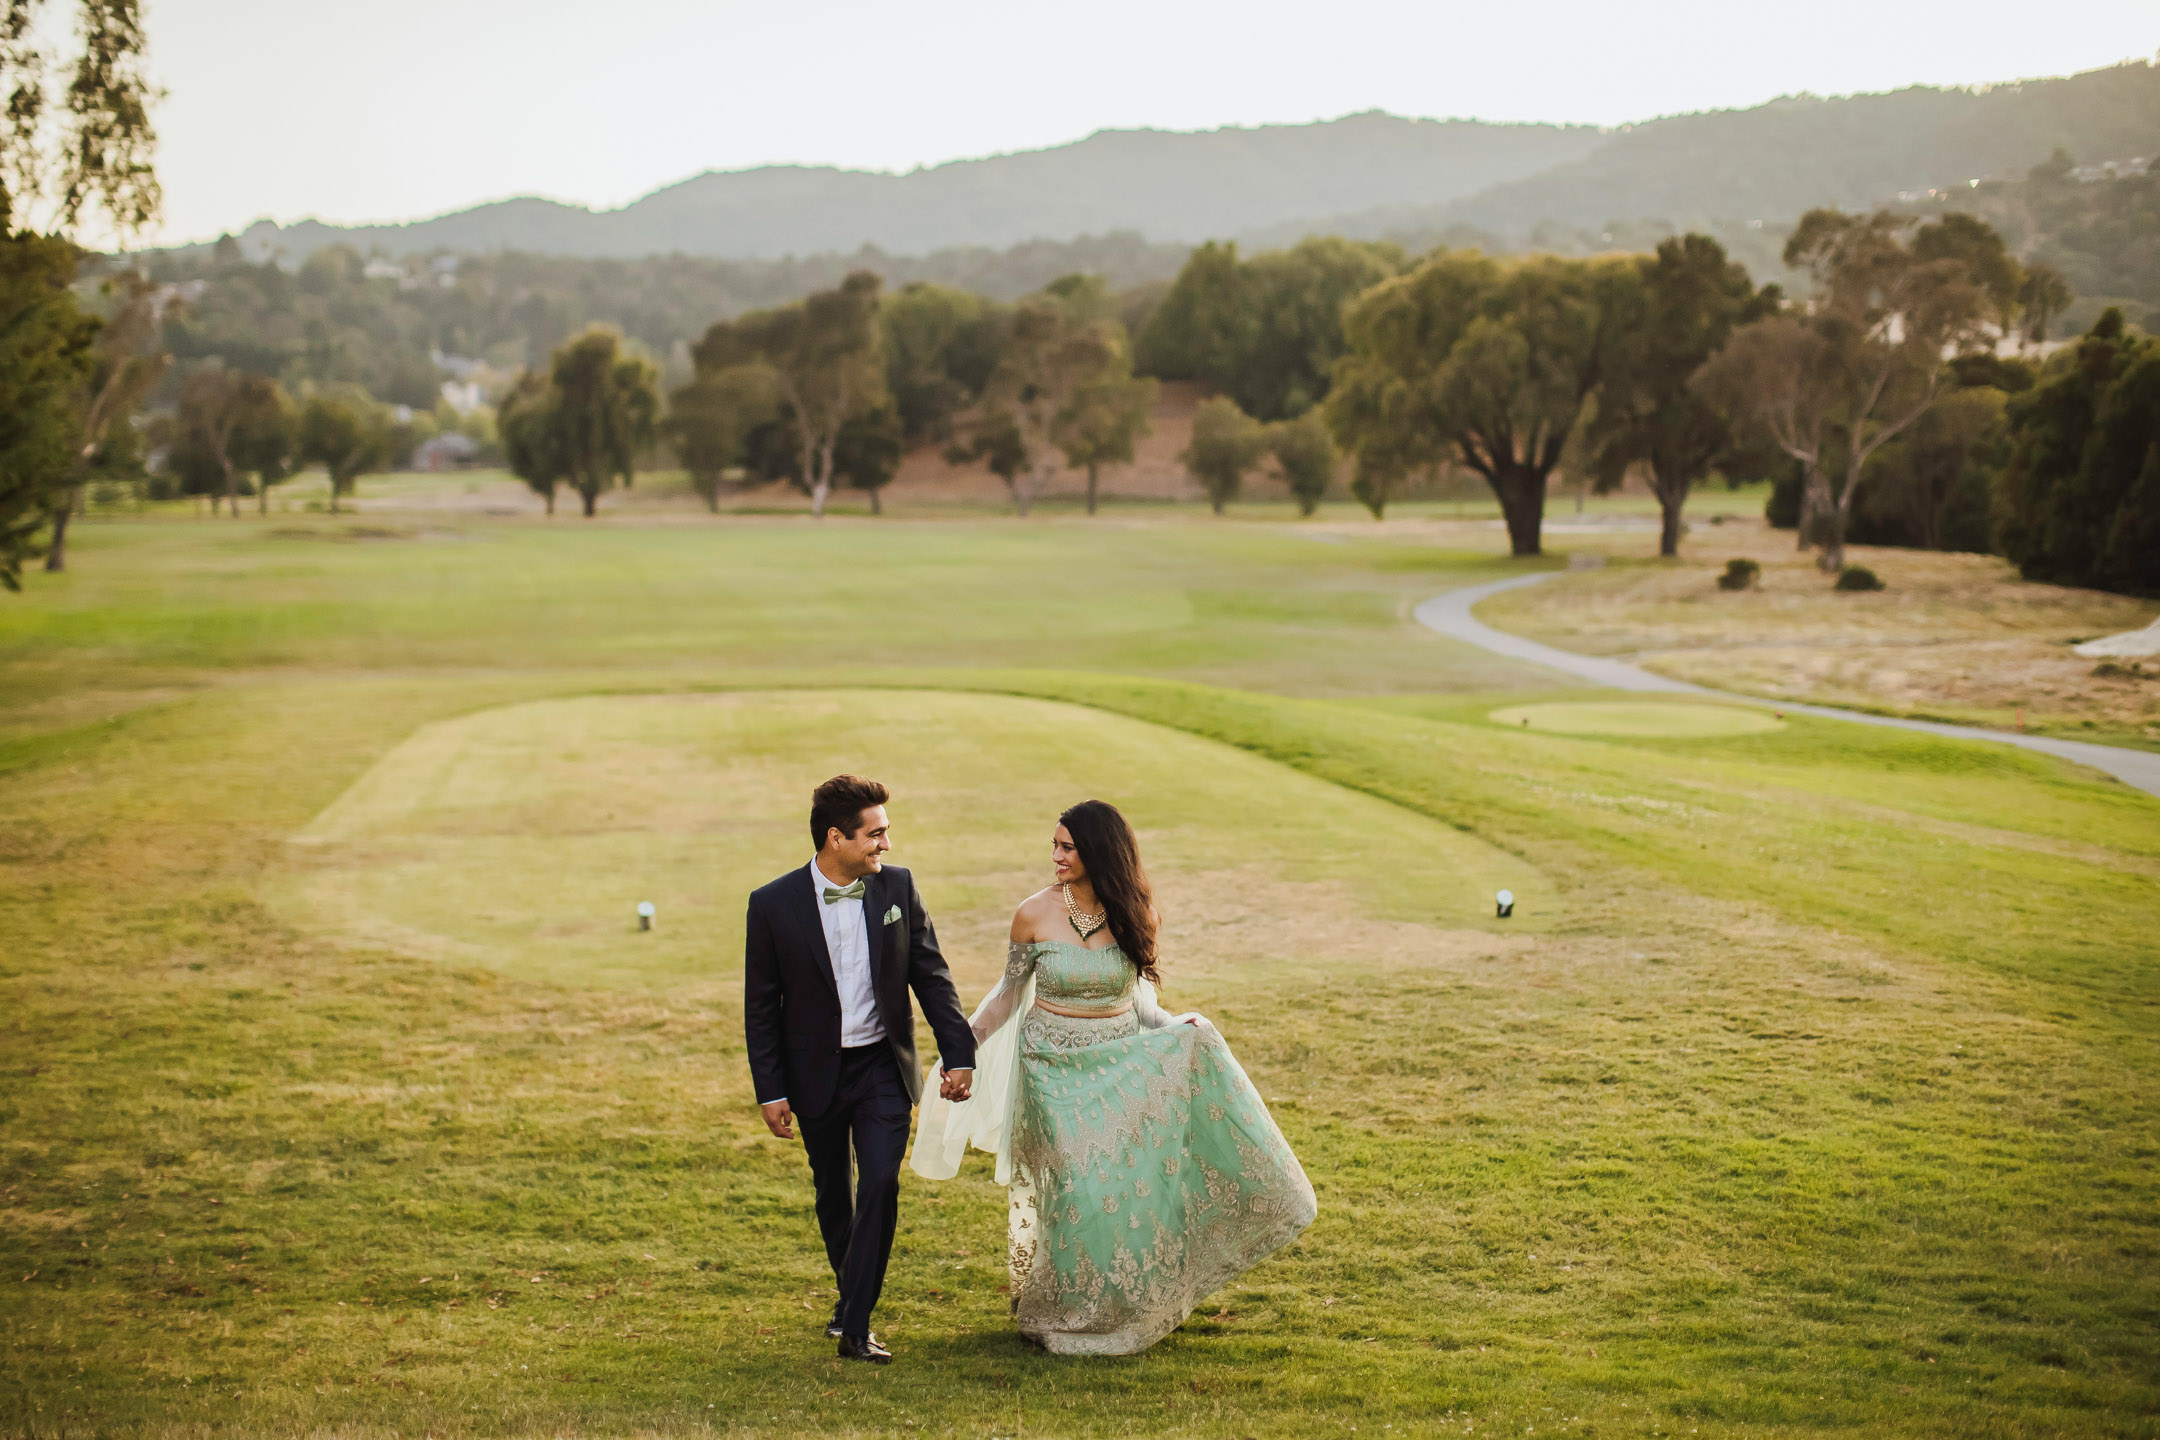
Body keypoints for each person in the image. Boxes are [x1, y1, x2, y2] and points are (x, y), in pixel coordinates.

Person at [911, 799, 1315, 1355]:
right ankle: (1070, 1306)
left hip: (1121, 1064)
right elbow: (1007, 997)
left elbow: (1142, 1001)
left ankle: (1121, 1300)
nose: (1055, 855)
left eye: (1067, 847)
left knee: (1117, 1187)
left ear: (1098, 850)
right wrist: (962, 1051)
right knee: (1077, 1183)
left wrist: (1178, 1025)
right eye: (1053, 844)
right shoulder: (1033, 914)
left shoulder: (1136, 912)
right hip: (1050, 1069)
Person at [744, 774, 977, 1365]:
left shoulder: (898, 887)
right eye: (875, 835)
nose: (885, 846)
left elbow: (930, 973)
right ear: (835, 838)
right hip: (814, 1074)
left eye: (886, 833)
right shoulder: (771, 904)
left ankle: (855, 1324)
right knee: (834, 1193)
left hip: (881, 1068)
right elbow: (761, 1007)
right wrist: (770, 1090)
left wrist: (959, 1053)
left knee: (879, 1182)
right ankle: (850, 1296)